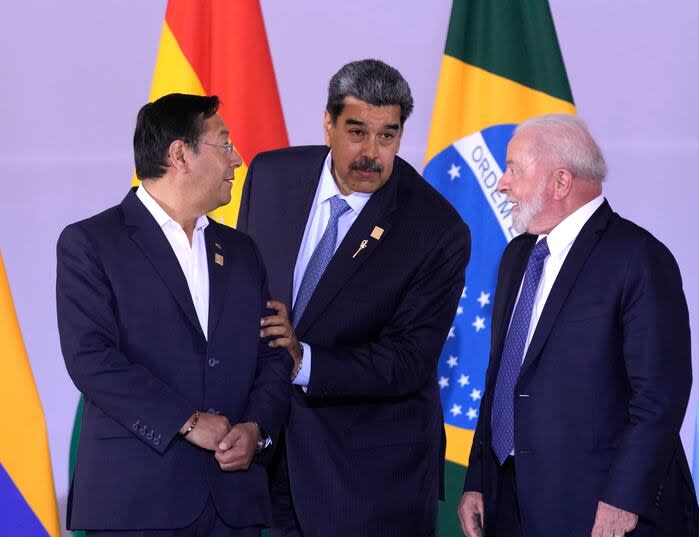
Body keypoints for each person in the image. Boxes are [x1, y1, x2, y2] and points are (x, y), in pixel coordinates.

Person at [237, 59, 471, 537]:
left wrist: (303, 360)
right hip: (264, 457)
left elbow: (408, 359)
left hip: (367, 480)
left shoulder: (435, 228)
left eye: (387, 136)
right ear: (328, 123)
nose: (371, 153)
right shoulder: (272, 175)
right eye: (357, 132)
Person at [457, 114, 699, 537]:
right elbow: (502, 378)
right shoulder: (517, 256)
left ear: (559, 182)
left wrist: (625, 499)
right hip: (508, 505)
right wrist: (479, 480)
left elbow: (659, 397)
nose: (502, 183)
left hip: (595, 509)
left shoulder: (638, 258)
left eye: (514, 169)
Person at [57, 93, 292, 537]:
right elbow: (91, 360)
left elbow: (274, 353)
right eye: (225, 144)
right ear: (180, 154)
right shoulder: (92, 243)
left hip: (233, 504)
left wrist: (257, 429)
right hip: (137, 502)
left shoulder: (242, 252)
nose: (237, 160)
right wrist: (186, 421)